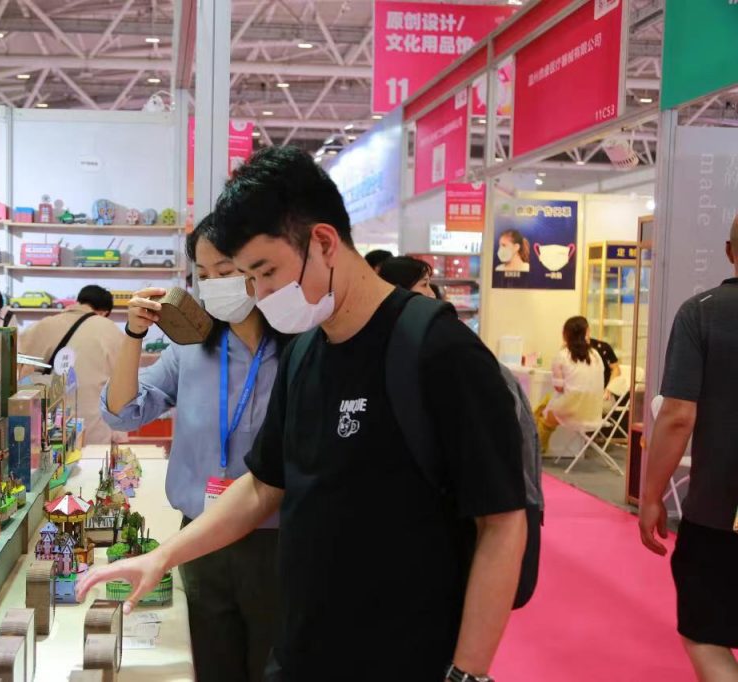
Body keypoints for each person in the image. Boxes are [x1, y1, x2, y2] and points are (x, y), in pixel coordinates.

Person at [80, 146, 526, 681]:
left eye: (267, 272)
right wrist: (165, 555)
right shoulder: (304, 354)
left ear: (323, 242)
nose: (262, 294)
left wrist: (468, 674)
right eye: (248, 278)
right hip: (301, 649)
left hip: (403, 656)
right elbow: (262, 485)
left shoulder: (438, 350)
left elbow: (502, 521)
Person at [99, 216, 285, 682]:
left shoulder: (299, 348)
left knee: (275, 665)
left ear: (259, 268)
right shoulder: (191, 347)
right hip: (200, 540)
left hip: (279, 542)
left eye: (225, 271)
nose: (213, 284)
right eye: (202, 274)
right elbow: (122, 413)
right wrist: (133, 335)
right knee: (210, 663)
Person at [640, 217, 738, 681]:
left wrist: (651, 495)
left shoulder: (702, 313)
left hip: (720, 513)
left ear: (730, 250)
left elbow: (678, 414)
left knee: (706, 633)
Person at [18, 285, 124, 446]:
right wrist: (119, 433)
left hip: (47, 428)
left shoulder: (44, 325)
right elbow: (122, 385)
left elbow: (20, 370)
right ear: (104, 312)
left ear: (79, 301)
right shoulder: (111, 330)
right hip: (93, 430)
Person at [534, 316, 604, 453]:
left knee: (544, 417)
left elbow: (559, 388)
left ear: (565, 334)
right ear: (586, 333)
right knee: (545, 403)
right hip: (594, 412)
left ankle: (536, 450)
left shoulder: (562, 356)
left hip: (572, 410)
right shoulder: (596, 355)